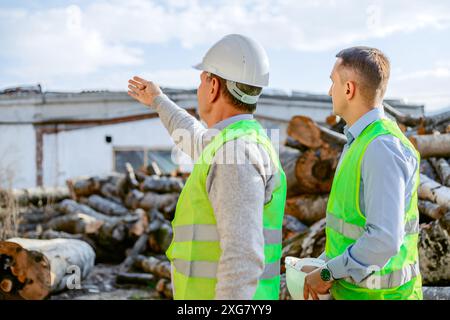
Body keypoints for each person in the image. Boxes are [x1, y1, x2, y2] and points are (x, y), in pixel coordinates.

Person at [127, 34, 287, 300]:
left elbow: (242, 255)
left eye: (200, 82)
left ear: (213, 86)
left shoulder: (235, 153)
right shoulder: (234, 141)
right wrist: (158, 100)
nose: (198, 90)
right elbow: (194, 136)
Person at [303, 46, 422, 300]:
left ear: (349, 89)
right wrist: (323, 264)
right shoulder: (360, 142)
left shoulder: (382, 148)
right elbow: (351, 230)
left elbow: (384, 240)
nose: (329, 91)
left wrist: (327, 274)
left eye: (332, 82)